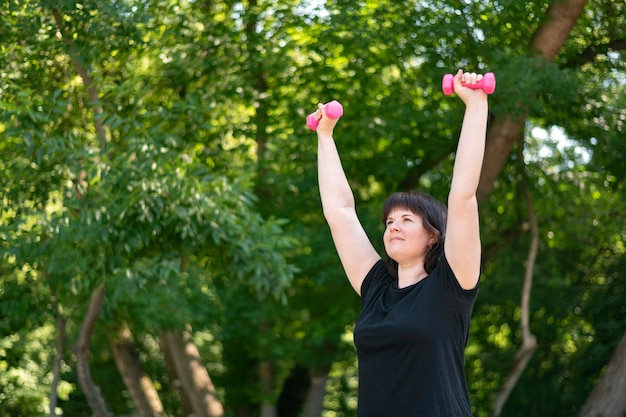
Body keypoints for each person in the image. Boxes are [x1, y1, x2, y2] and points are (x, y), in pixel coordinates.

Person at [312, 69, 488, 417]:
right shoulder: (376, 286)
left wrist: (476, 105)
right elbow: (341, 212)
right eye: (390, 221)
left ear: (434, 235)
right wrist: (325, 135)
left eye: (407, 220)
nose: (393, 227)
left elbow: (464, 195)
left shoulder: (451, 286)